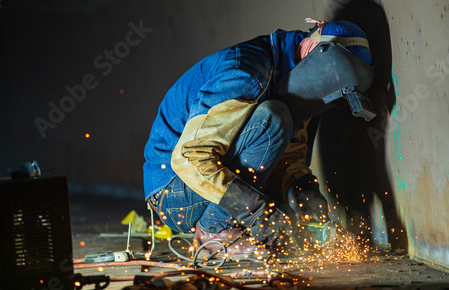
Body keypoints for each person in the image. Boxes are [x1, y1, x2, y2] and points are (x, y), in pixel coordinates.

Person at [143, 18, 372, 256]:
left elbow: (289, 158)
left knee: (289, 225)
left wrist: (315, 215)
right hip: (174, 192)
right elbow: (189, 160)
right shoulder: (245, 74)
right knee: (272, 118)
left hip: (205, 184)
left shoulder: (296, 82)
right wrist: (261, 215)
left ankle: (230, 222)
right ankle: (215, 233)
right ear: (312, 47)